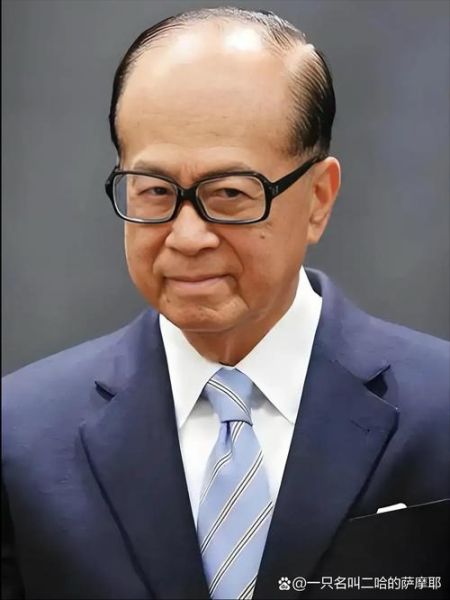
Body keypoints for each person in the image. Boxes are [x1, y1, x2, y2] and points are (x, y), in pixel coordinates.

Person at [2, 7, 449, 600]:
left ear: (318, 198)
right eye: (154, 190)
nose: (187, 237)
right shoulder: (20, 435)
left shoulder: (439, 411)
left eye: (231, 193)